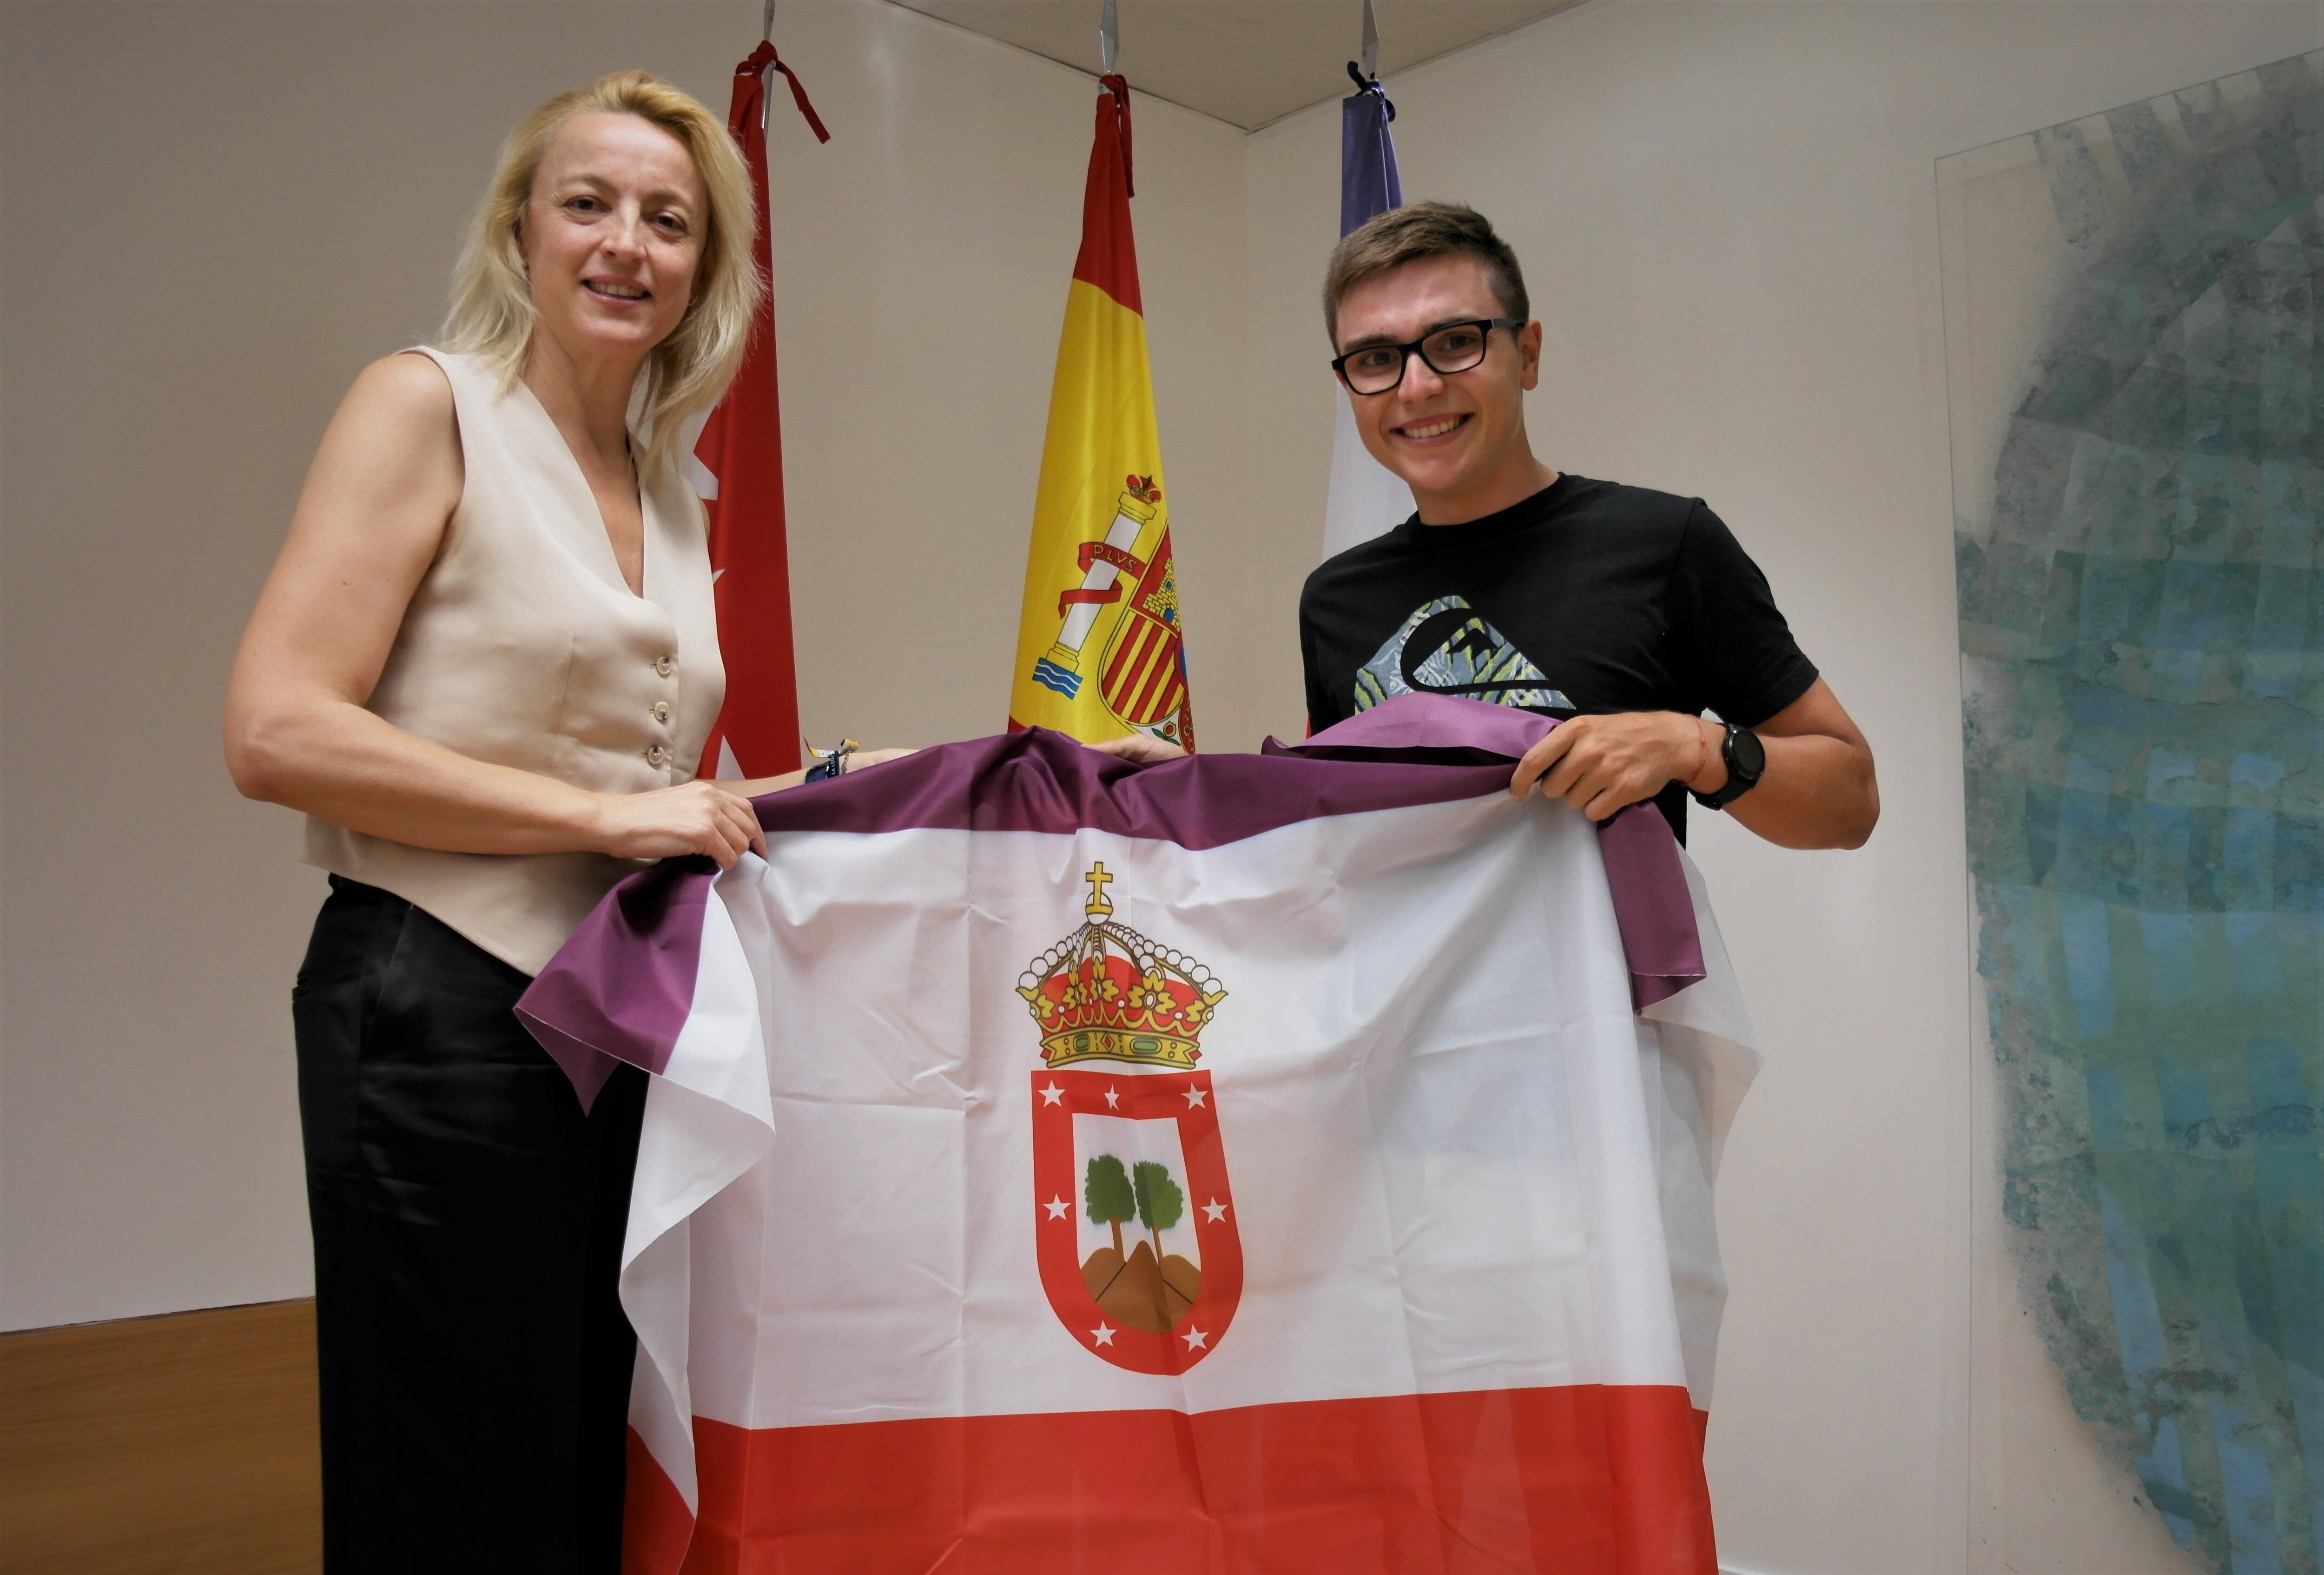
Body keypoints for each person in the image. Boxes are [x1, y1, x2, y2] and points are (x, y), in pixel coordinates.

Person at [223, 72, 900, 1572]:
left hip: (612, 1022)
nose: (626, 243)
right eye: (586, 203)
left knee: (585, 1447)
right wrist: (607, 809)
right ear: (519, 229)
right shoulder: (426, 400)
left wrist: (938, 768)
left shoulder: (676, 481)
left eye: (670, 219)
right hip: (432, 1006)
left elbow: (667, 794)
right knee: (456, 1472)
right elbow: (275, 728)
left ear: (706, 270)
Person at [1298, 202, 1879, 848]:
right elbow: (1326, 831)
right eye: (1376, 359)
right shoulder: (1334, 600)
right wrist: (1181, 789)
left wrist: (1693, 746)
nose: (1417, 387)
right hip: (1404, 955)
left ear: (1528, 354)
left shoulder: (1665, 544)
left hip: (1613, 955)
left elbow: (1851, 802)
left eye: (1457, 341)